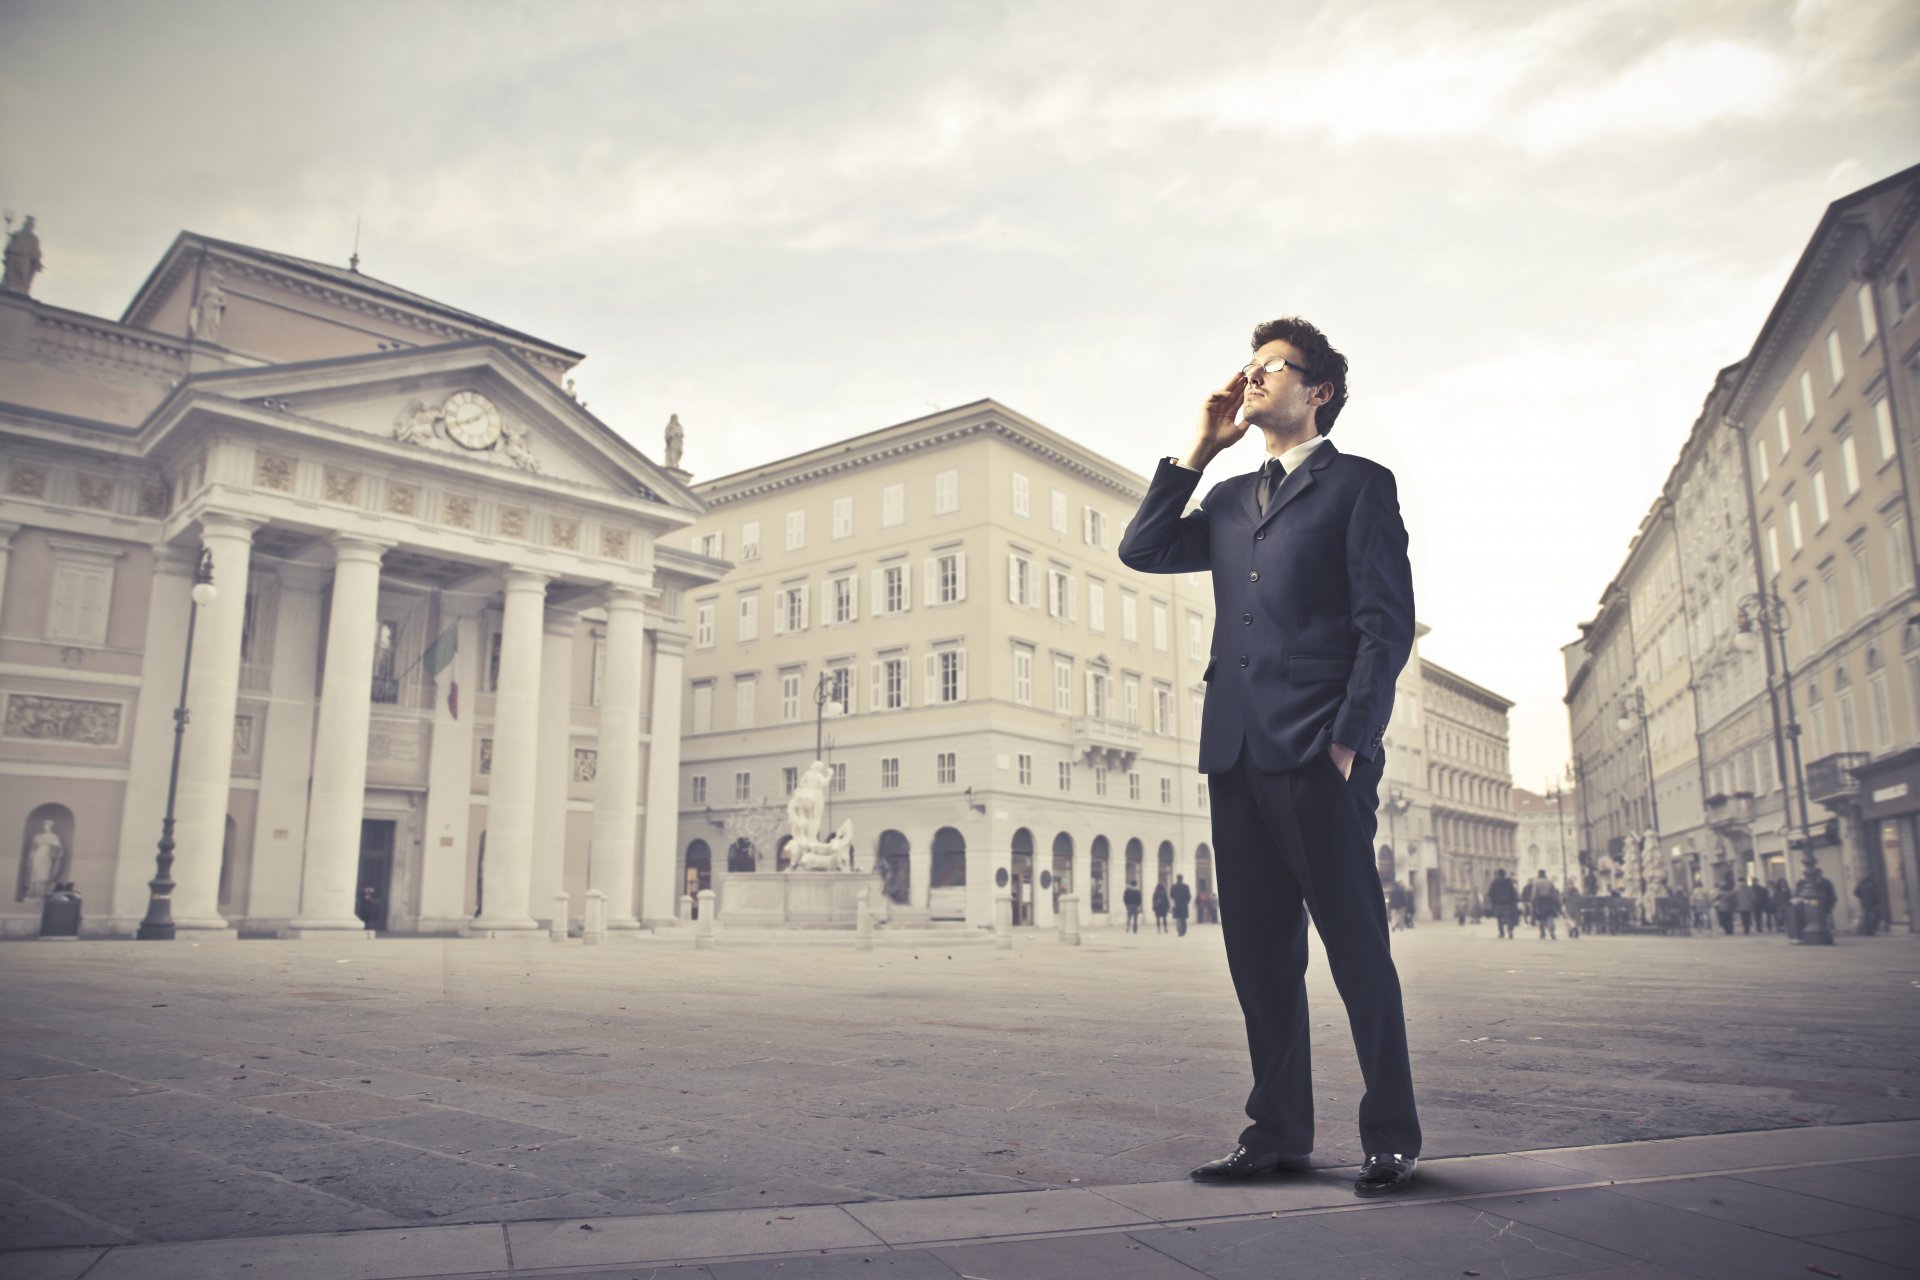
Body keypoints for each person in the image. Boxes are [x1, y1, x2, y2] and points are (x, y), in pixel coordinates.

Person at [1118, 316, 1420, 1198]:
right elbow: (1141, 548)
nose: (1250, 380)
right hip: (1238, 751)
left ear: (1318, 389)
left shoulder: (1359, 485)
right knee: (1259, 956)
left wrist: (1349, 743)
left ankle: (1392, 1137)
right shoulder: (1223, 501)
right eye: (1245, 368)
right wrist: (1199, 451)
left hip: (1319, 751)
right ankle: (1278, 1132)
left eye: (1270, 368)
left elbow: (1384, 625)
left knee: (1357, 948)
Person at [1486, 869, 1518, 939]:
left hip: (1498, 903)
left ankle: (1501, 933)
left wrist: (1493, 901)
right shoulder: (1508, 882)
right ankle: (1510, 930)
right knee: (1509, 917)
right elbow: (1513, 892)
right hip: (1508, 903)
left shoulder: (1494, 882)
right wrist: (1513, 901)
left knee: (1499, 918)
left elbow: (1491, 893)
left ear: (1498, 874)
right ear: (1504, 874)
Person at [1529, 871, 1560, 940]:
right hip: (1549, 901)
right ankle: (1552, 931)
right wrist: (1557, 902)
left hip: (1540, 901)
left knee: (1541, 918)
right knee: (1549, 916)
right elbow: (1554, 893)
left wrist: (1532, 901)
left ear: (1539, 874)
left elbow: (1534, 893)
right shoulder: (1550, 882)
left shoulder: (1536, 882)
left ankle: (1542, 933)